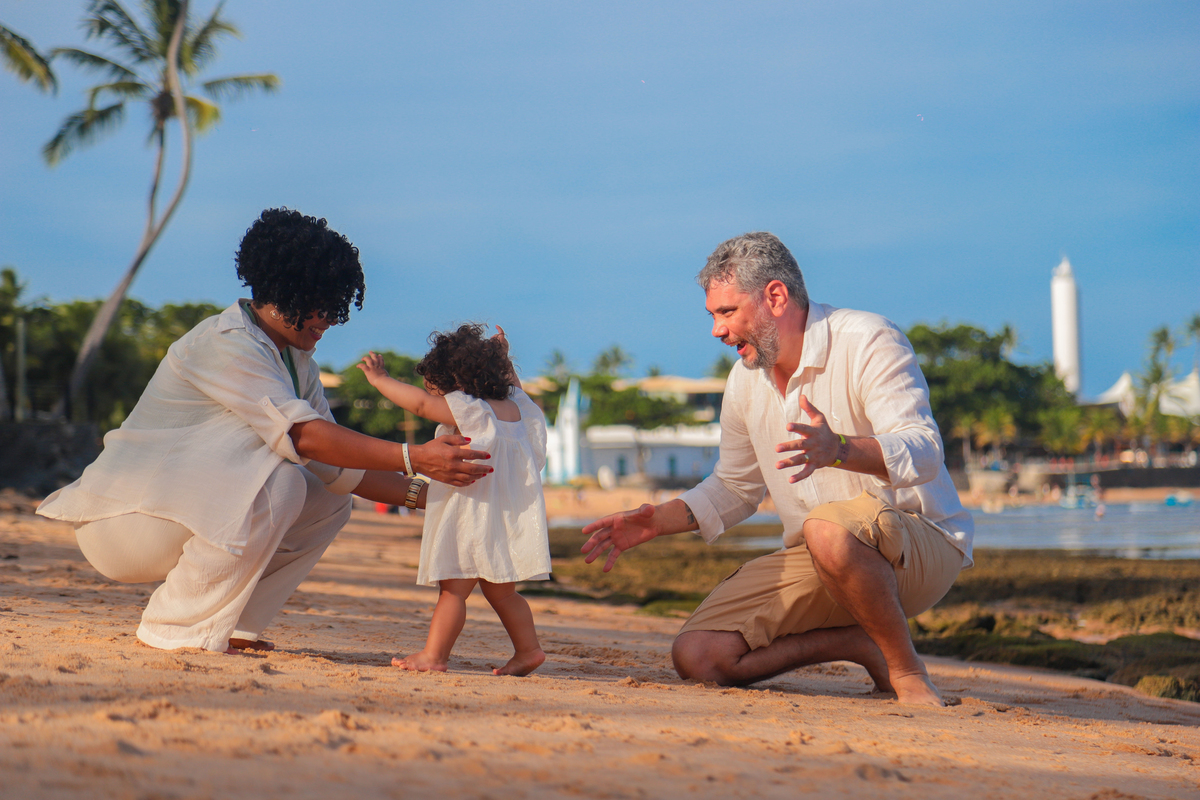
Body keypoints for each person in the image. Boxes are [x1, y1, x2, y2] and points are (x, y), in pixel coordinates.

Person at [36, 208, 491, 654]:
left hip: (173, 514)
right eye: (325, 305)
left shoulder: (297, 363)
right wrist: (416, 456)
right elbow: (303, 438)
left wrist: (438, 497)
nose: (331, 320)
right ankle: (175, 626)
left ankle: (234, 625)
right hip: (126, 525)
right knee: (283, 478)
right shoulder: (225, 344)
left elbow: (336, 467)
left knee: (328, 498)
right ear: (287, 293)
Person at [580, 232, 973, 707]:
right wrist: (654, 522)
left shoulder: (868, 338)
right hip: (823, 555)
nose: (717, 331)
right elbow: (735, 486)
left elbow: (926, 451)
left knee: (825, 529)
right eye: (712, 316)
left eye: (727, 313)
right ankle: (858, 642)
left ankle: (906, 671)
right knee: (699, 656)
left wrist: (841, 449)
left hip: (918, 546)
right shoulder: (744, 380)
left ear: (775, 296)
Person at [357, 323, 550, 676]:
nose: (433, 395)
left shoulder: (472, 412)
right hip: (506, 520)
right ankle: (529, 649)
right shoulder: (521, 409)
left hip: (471, 517)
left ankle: (434, 655)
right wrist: (504, 359)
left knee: (453, 591)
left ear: (457, 385)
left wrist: (380, 379)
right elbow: (516, 387)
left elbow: (419, 405)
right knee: (504, 594)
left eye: (438, 388)